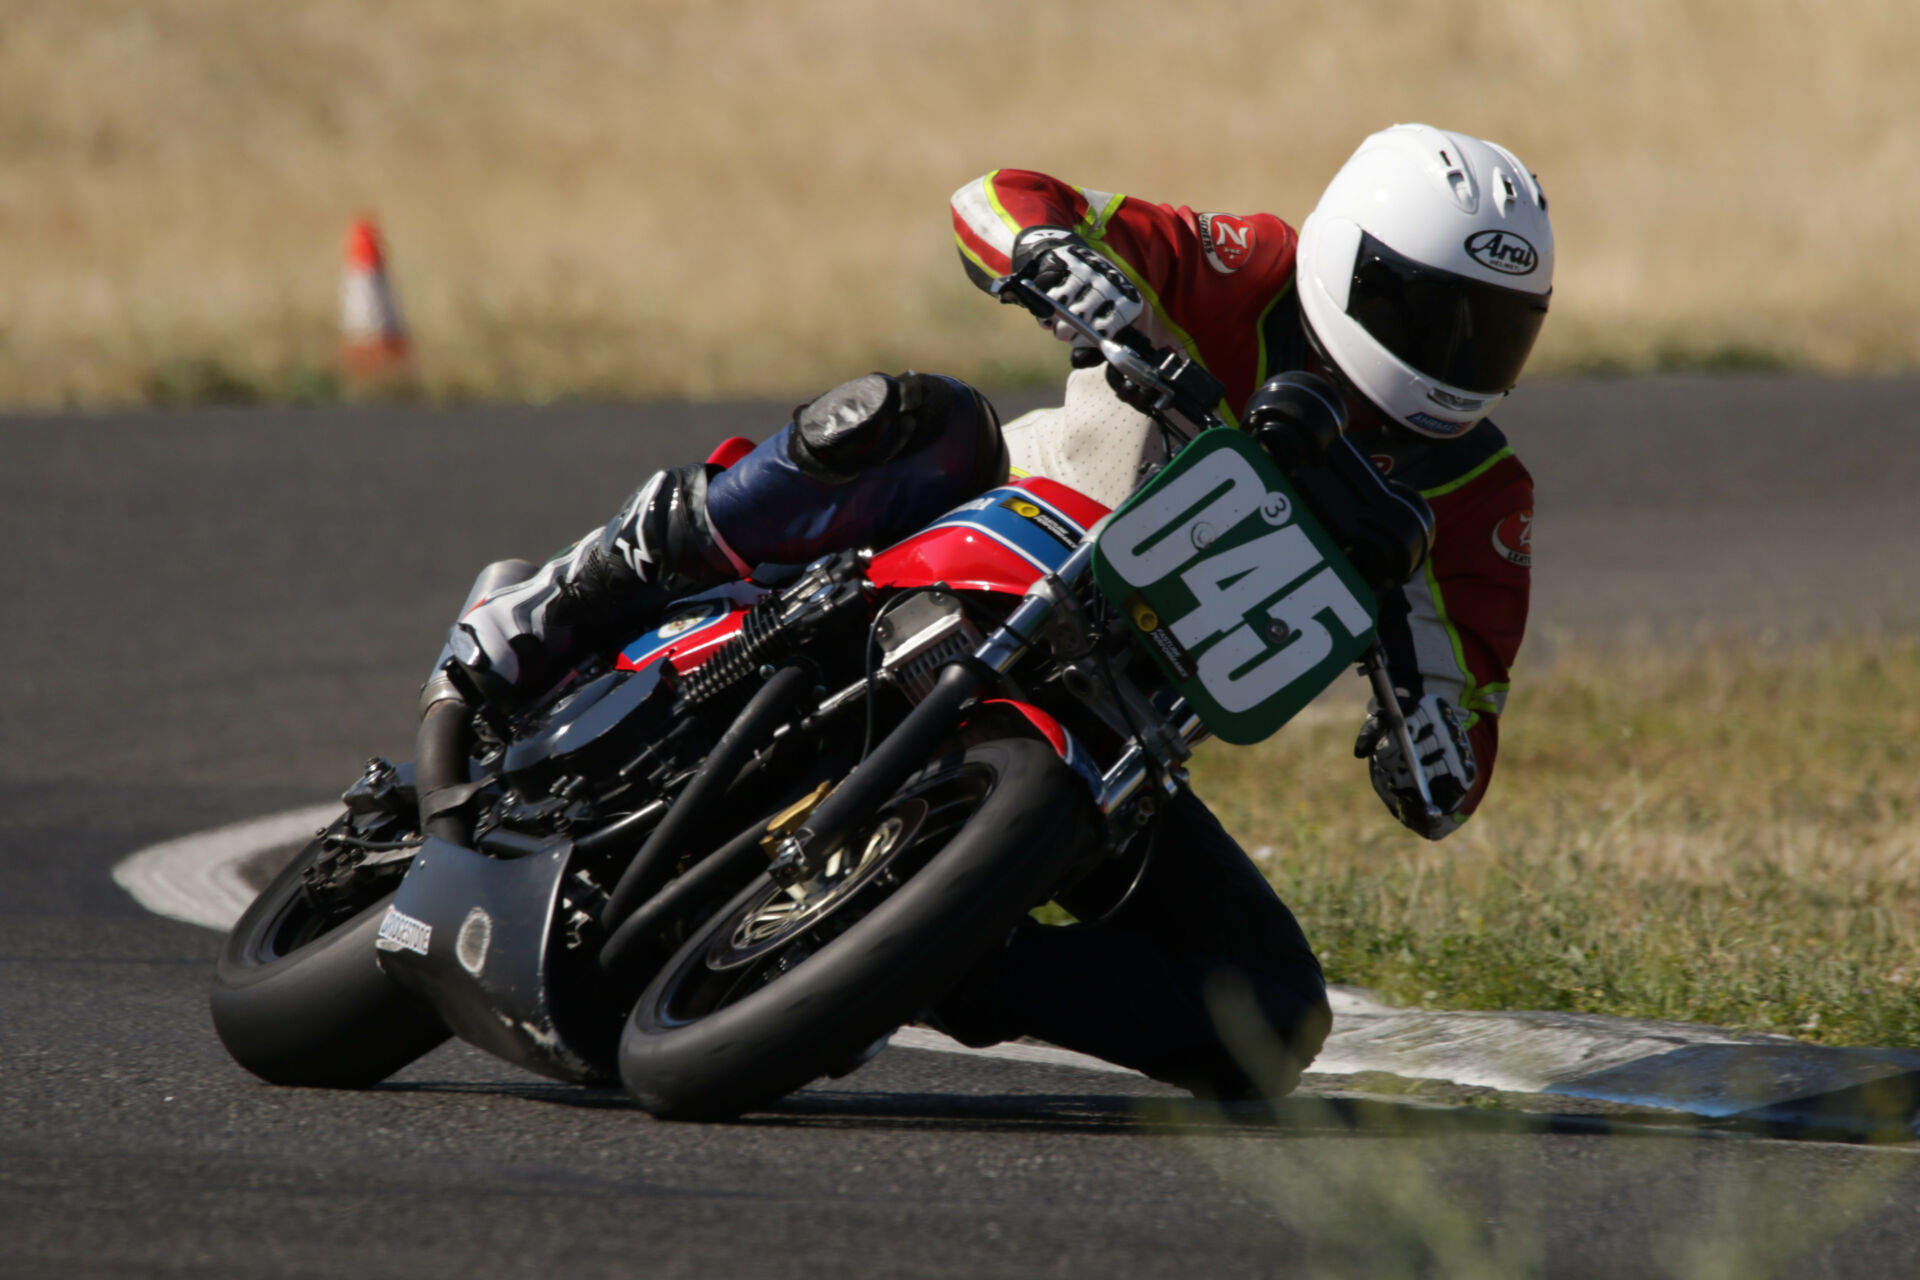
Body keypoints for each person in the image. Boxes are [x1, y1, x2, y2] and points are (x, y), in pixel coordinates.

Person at [430, 124, 1551, 1098]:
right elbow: (1001, 195)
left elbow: (1454, 770)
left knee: (1270, 1013)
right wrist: (1055, 256)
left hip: (1119, 735)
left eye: (1490, 331)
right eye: (1423, 310)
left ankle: (911, 955)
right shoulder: (1248, 268)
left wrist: (1423, 717)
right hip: (985, 537)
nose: (1452, 360)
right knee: (917, 419)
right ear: (1342, 259)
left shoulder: (1477, 499)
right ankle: (587, 585)